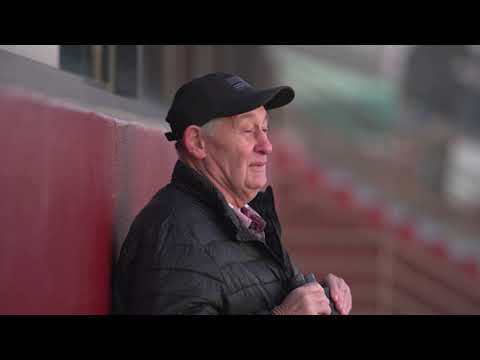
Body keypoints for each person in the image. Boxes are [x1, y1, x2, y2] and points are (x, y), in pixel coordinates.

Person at [112, 72, 352, 315]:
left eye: (265, 128)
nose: (266, 145)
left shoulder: (244, 217)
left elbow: (268, 295)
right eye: (248, 130)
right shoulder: (175, 239)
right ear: (197, 142)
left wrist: (323, 298)